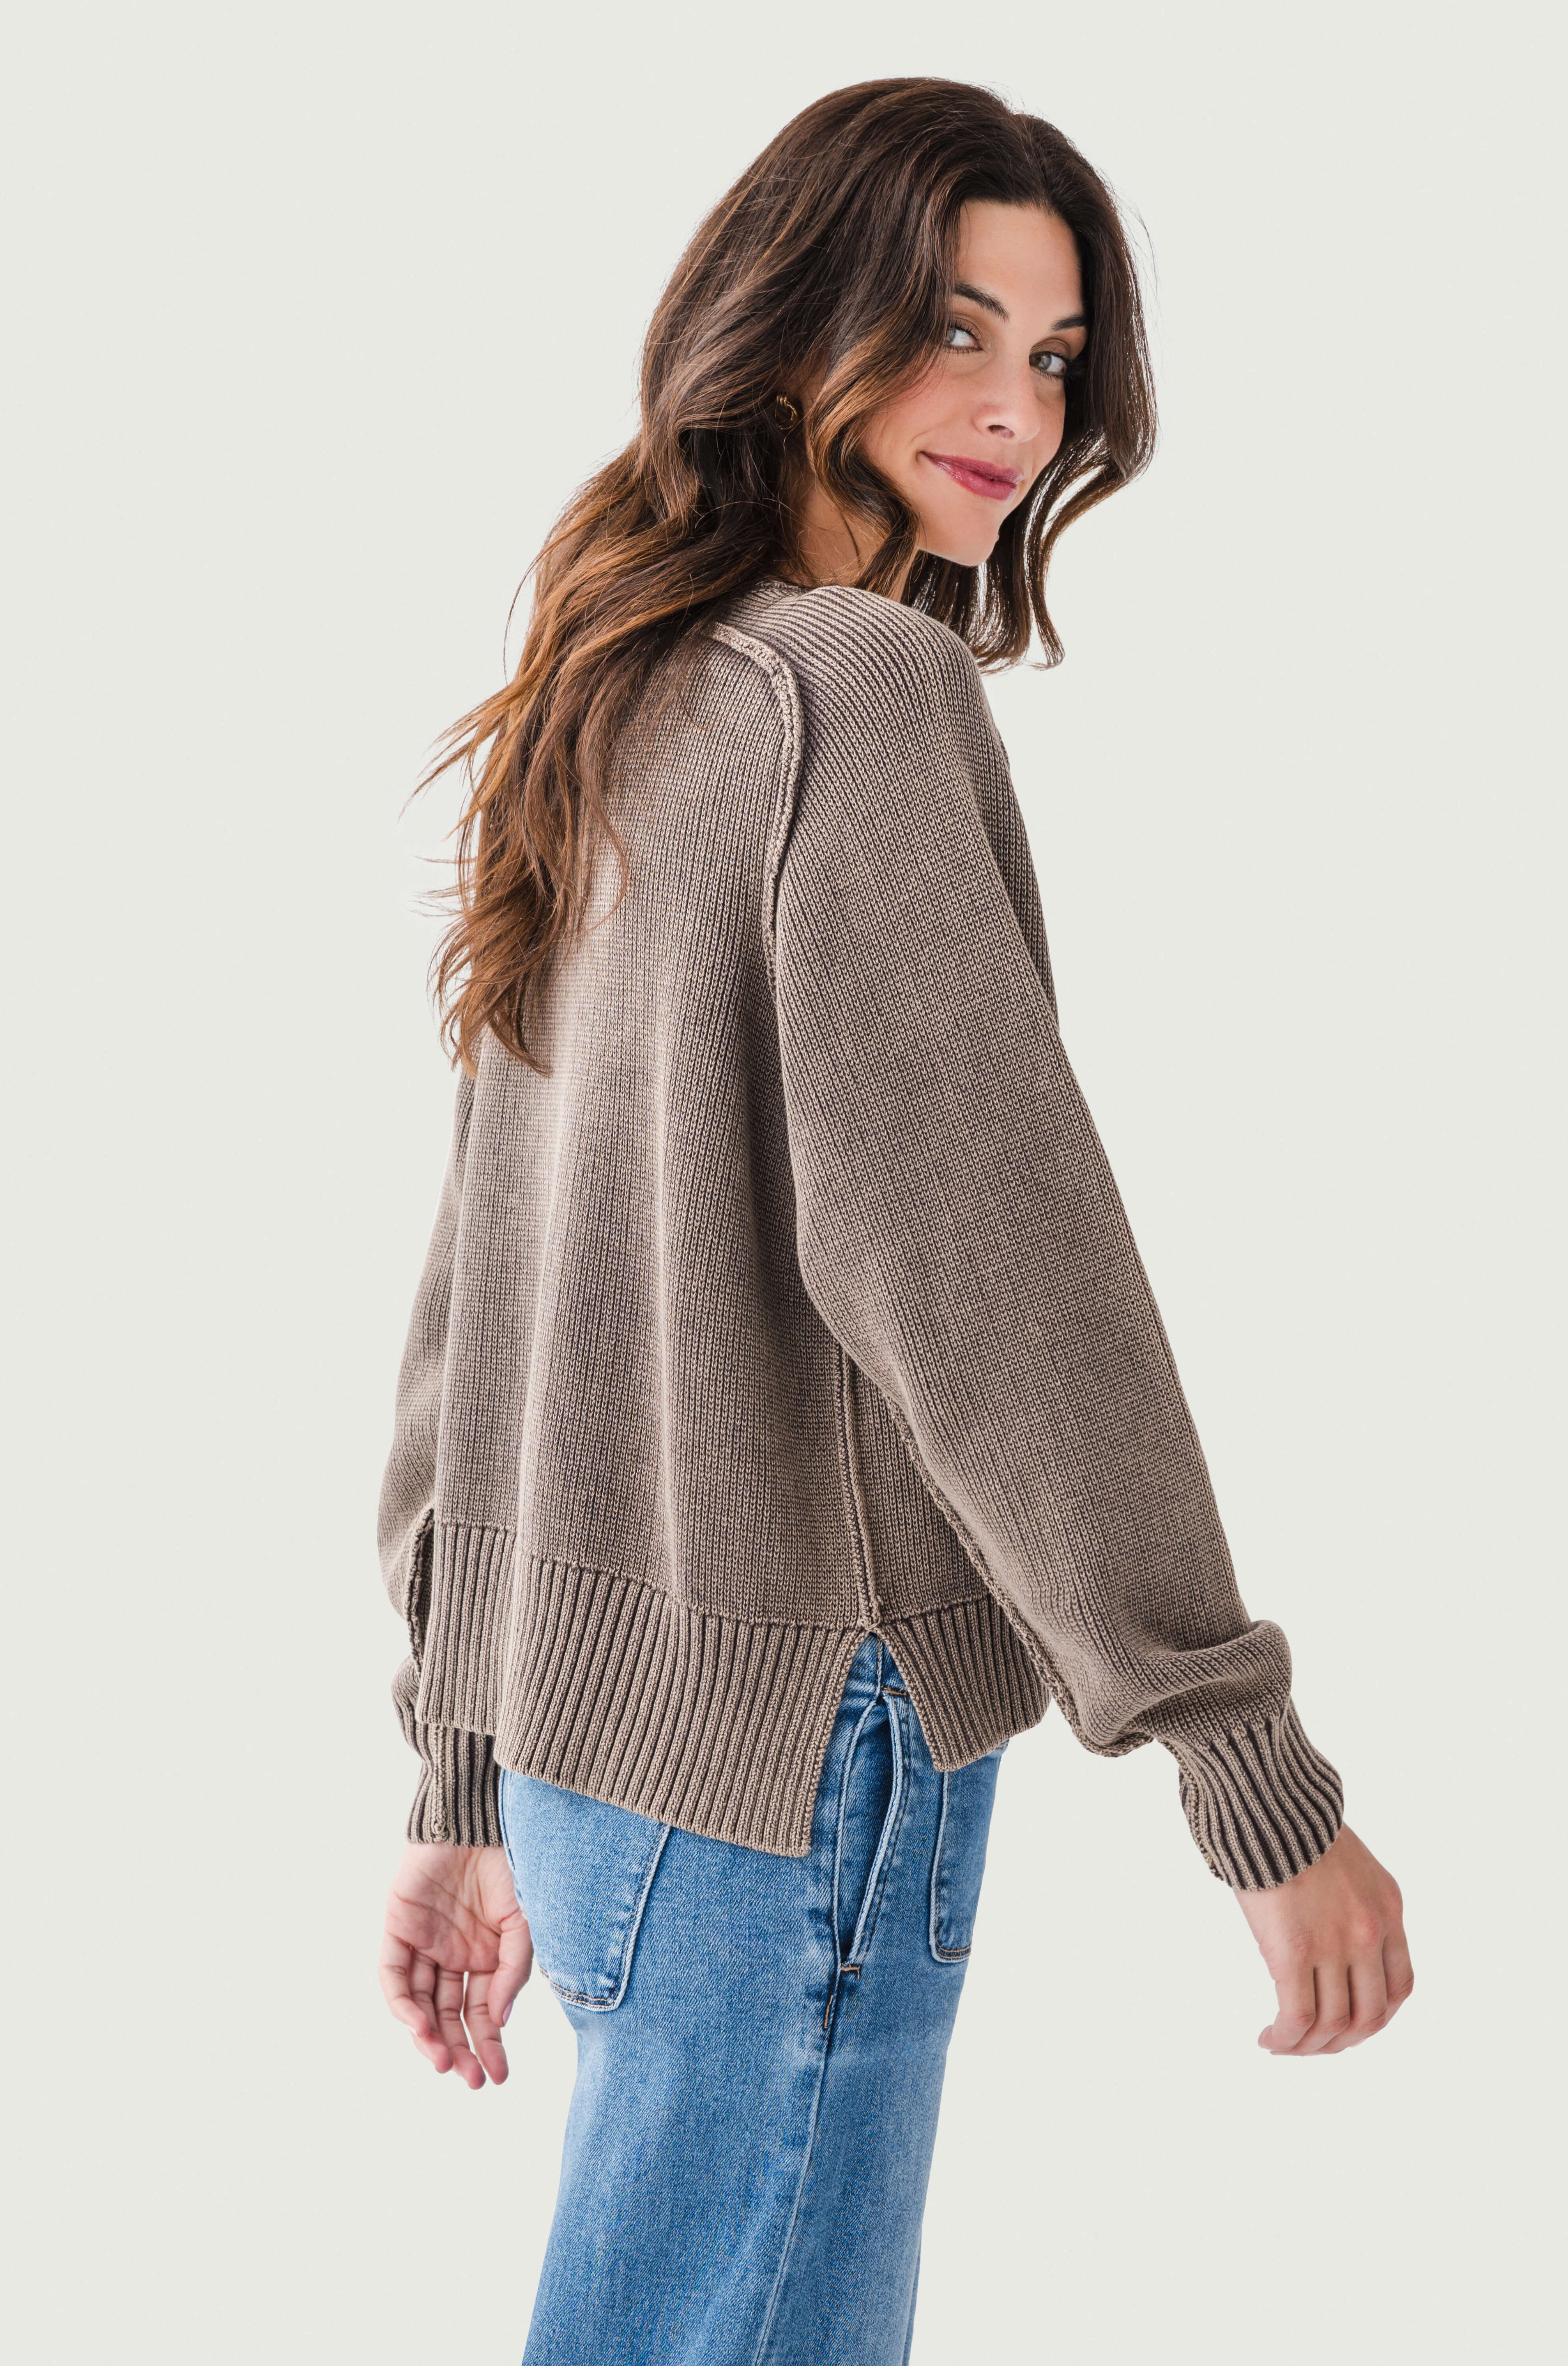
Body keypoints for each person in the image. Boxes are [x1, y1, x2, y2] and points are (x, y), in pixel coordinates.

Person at [374, 76, 1413, 2365]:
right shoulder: (849, 690)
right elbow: (990, 1267)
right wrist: (1243, 1760)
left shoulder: (613, 683)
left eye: (1055, 355)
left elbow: (491, 1279)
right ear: (795, 315)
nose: (1016, 409)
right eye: (954, 327)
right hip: (791, 1746)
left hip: (591, 1759)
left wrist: (463, 1761)